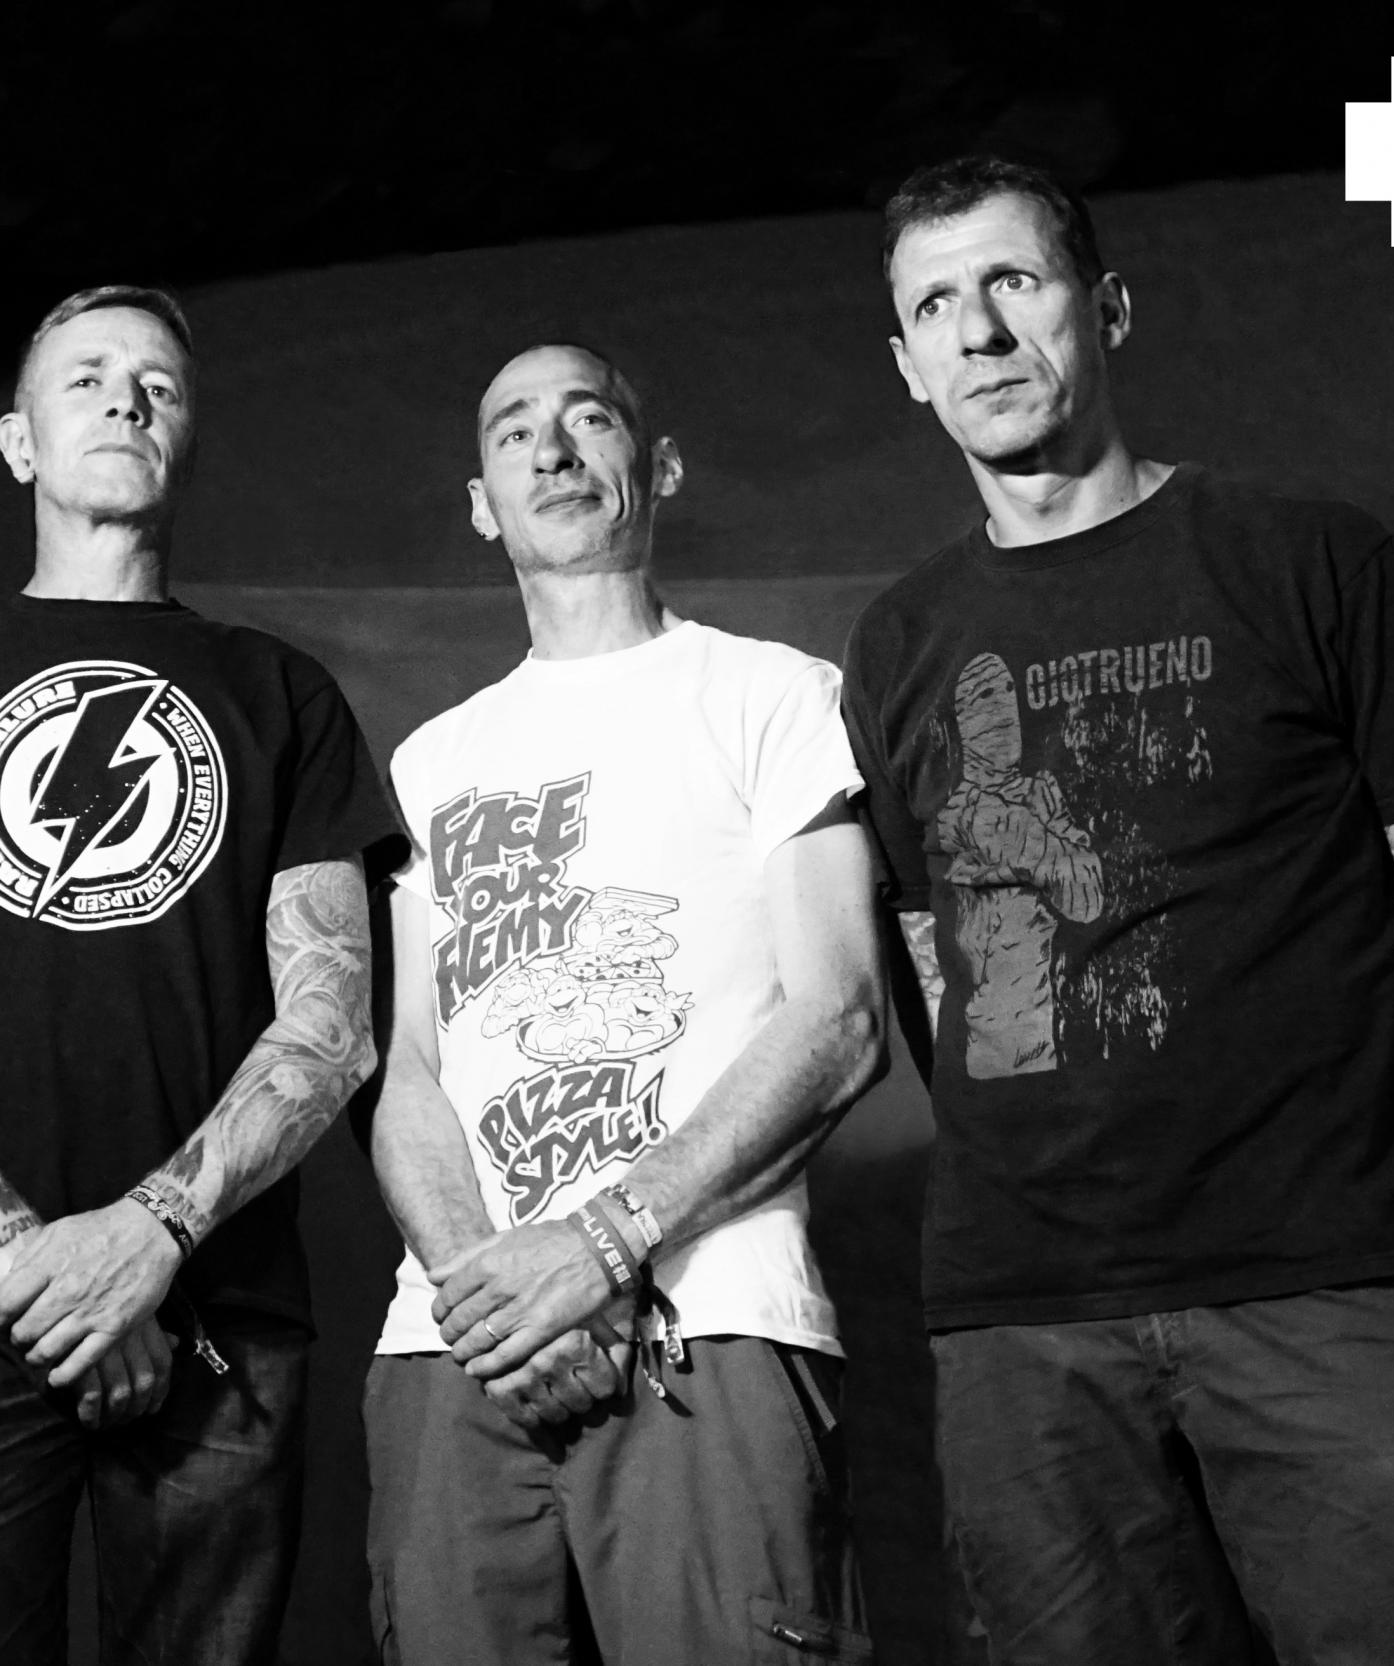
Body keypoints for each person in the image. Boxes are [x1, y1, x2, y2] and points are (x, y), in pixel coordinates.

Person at [842, 155, 1394, 1664]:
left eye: (1013, 282)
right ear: (906, 365)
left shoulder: (1314, 562)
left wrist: (1313, 1144)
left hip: (1320, 1293)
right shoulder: (898, 643)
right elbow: (936, 978)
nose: (980, 331)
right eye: (936, 305)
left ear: (1107, 308)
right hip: (1024, 1325)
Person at [0, 285, 397, 1665]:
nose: (126, 398)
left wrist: (147, 1239)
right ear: (18, 443)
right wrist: (35, 1262)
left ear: (188, 442)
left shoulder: (280, 693)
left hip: (215, 1312)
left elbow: (330, 1022)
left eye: (158, 384)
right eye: (87, 377)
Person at [363, 342, 887, 1663]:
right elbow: (406, 1068)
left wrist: (598, 1249)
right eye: (514, 432)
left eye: (587, 418)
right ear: (481, 503)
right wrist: (495, 1302)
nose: (551, 450)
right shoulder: (431, 760)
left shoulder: (774, 696)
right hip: (451, 1354)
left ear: (658, 467)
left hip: (708, 1321)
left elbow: (840, 1020)